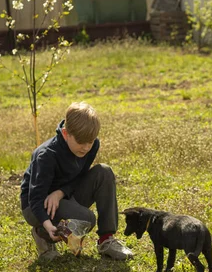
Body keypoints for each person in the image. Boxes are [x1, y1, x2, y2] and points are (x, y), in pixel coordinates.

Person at [20, 101, 133, 262]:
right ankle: (43, 234)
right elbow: (34, 198)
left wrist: (60, 193)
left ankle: (107, 239)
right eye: (81, 142)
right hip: (36, 206)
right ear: (66, 134)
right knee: (86, 219)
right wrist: (46, 223)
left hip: (63, 197)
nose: (86, 147)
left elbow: (80, 176)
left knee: (104, 172)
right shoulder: (46, 155)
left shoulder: (92, 145)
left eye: (91, 142)